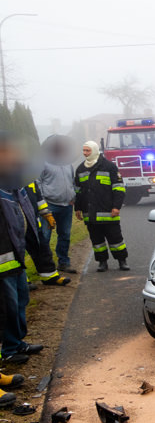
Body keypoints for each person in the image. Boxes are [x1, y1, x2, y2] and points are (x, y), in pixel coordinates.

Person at [0, 131, 40, 405]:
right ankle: (11, 349)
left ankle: (15, 344)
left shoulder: (14, 185)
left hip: (15, 257)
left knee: (19, 301)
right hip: (3, 261)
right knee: (8, 306)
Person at [75, 141, 129, 272]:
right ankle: (102, 262)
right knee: (97, 240)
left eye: (87, 151)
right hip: (90, 214)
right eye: (84, 151)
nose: (85, 153)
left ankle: (122, 261)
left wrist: (116, 207)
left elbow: (119, 189)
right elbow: (78, 191)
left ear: (94, 150)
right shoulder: (80, 169)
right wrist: (77, 208)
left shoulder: (109, 167)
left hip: (108, 212)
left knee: (116, 239)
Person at [38, 135, 77, 273]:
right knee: (45, 236)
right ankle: (44, 265)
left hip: (66, 205)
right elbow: (38, 183)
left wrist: (73, 197)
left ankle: (63, 262)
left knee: (65, 235)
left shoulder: (68, 163)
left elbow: (72, 182)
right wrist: (42, 203)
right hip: (49, 206)